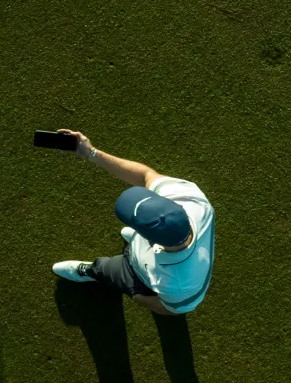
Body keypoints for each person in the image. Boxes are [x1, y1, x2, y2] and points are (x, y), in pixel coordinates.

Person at [52, 130, 215, 316]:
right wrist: (90, 152)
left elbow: (172, 309)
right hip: (160, 253)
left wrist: (139, 298)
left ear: (151, 241)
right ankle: (132, 243)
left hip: (139, 273)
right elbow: (145, 175)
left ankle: (92, 271)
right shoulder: (191, 199)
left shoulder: (177, 283)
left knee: (106, 269)